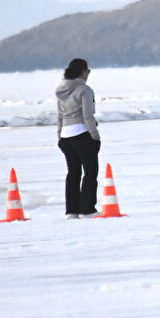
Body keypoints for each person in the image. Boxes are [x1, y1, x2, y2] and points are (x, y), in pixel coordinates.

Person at [55, 58, 101, 218]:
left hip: (66, 136)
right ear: (82, 72)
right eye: (88, 71)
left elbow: (60, 117)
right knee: (90, 172)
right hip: (82, 134)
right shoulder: (84, 90)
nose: (88, 74)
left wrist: (59, 137)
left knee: (73, 173)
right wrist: (95, 136)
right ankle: (88, 209)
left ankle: (71, 210)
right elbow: (87, 115)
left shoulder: (61, 91)